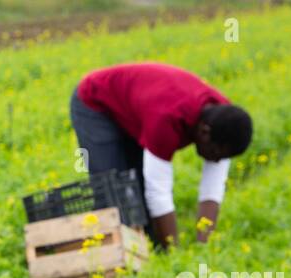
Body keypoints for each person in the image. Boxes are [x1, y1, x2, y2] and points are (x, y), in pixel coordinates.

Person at [69, 62, 253, 249]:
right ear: (204, 132)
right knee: (114, 190)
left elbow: (212, 189)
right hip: (96, 102)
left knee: (138, 188)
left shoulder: (226, 122)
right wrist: (175, 255)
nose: (216, 161)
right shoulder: (167, 119)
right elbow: (158, 192)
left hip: (137, 109)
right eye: (215, 154)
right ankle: (112, 260)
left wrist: (203, 247)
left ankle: (149, 254)